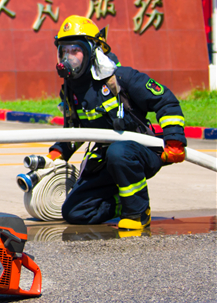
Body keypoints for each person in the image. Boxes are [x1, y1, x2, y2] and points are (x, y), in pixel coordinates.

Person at [46, 15, 186, 230]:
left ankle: (138, 213)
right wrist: (58, 152)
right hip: (105, 159)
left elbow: (165, 101)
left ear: (92, 51)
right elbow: (76, 130)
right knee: (75, 212)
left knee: (119, 152)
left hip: (138, 152)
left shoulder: (121, 78)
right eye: (64, 51)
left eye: (75, 51)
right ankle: (123, 201)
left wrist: (174, 140)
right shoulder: (71, 90)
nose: (68, 58)